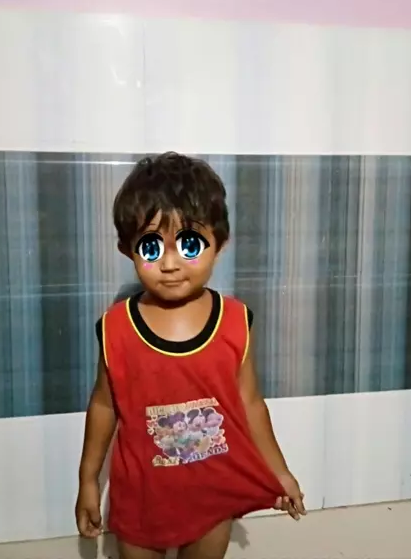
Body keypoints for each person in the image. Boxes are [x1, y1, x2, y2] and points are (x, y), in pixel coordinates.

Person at [75, 152, 306, 559]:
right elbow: (104, 406)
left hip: (212, 498)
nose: (169, 263)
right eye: (151, 246)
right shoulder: (117, 328)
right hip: (141, 498)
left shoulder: (235, 321)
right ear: (127, 249)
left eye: (189, 244)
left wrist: (280, 471)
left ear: (220, 243)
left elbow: (251, 404)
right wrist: (88, 481)